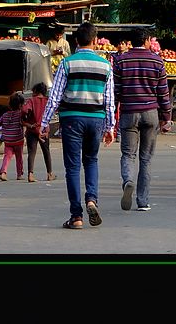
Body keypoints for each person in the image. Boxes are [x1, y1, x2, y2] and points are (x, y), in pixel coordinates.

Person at [40, 21, 116, 230]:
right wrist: (110, 127)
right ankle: (92, 199)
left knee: (72, 167)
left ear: (75, 41)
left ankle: (76, 216)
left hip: (71, 119)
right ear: (94, 41)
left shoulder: (67, 63)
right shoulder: (105, 65)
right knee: (91, 161)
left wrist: (44, 122)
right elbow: (109, 100)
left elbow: (54, 97)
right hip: (96, 119)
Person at [112, 27, 171, 212]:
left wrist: (111, 115)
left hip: (129, 112)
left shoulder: (120, 60)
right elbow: (163, 93)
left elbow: (115, 91)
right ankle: (143, 201)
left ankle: (128, 180)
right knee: (146, 158)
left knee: (128, 154)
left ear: (130, 42)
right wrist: (166, 116)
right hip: (150, 113)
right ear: (146, 41)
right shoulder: (157, 61)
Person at [21, 82, 55, 182]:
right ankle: (49, 174)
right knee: (46, 151)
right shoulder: (47, 101)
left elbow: (24, 110)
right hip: (44, 130)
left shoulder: (31, 100)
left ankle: (30, 175)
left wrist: (26, 117)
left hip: (32, 129)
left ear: (35, 91)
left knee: (32, 152)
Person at [0, 92, 26, 181]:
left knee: (7, 156)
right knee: (19, 157)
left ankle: (3, 172)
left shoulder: (5, 115)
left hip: (8, 141)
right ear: (21, 104)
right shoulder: (20, 114)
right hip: (18, 140)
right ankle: (19, 174)